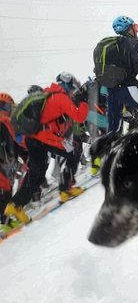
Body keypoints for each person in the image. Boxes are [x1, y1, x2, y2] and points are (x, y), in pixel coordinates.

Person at [4, 72, 89, 224]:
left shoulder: (47, 94)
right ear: (67, 85)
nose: (73, 93)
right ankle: (65, 190)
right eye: (72, 89)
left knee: (37, 173)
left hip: (32, 138)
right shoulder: (60, 97)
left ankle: (15, 205)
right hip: (45, 137)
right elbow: (79, 117)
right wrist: (83, 102)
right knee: (74, 151)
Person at [104, 16, 138, 133]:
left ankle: (109, 148)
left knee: (114, 127)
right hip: (127, 88)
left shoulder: (111, 46)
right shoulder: (133, 44)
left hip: (111, 90)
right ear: (128, 28)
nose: (137, 30)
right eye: (135, 27)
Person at [0, 93, 27, 225]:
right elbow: (15, 141)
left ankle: (5, 220)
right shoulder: (5, 121)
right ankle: (5, 222)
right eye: (10, 107)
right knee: (5, 187)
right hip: (3, 162)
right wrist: (26, 154)